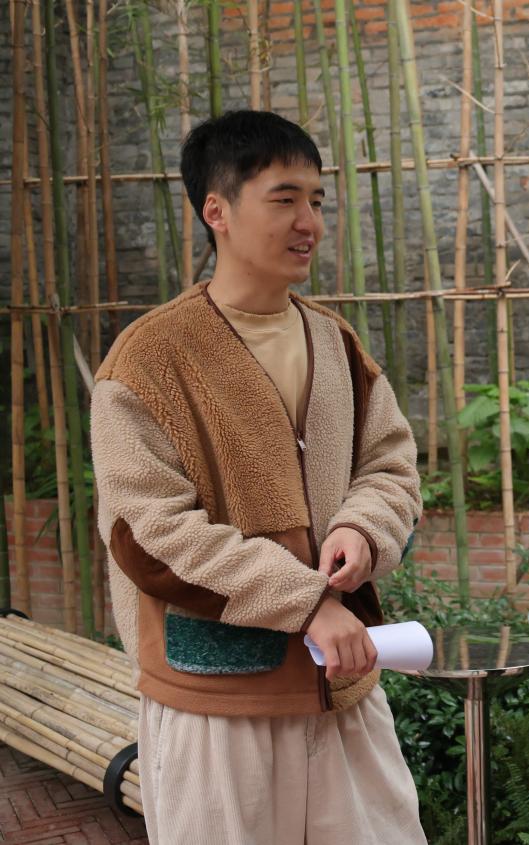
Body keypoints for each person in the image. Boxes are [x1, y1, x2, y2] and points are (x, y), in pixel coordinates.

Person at [90, 110, 426, 844]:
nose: (309, 222)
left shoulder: (334, 341)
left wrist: (361, 527)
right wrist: (305, 602)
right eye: (284, 199)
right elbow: (149, 535)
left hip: (341, 690)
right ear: (217, 210)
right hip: (216, 704)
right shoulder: (149, 360)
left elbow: (391, 463)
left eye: (317, 200)